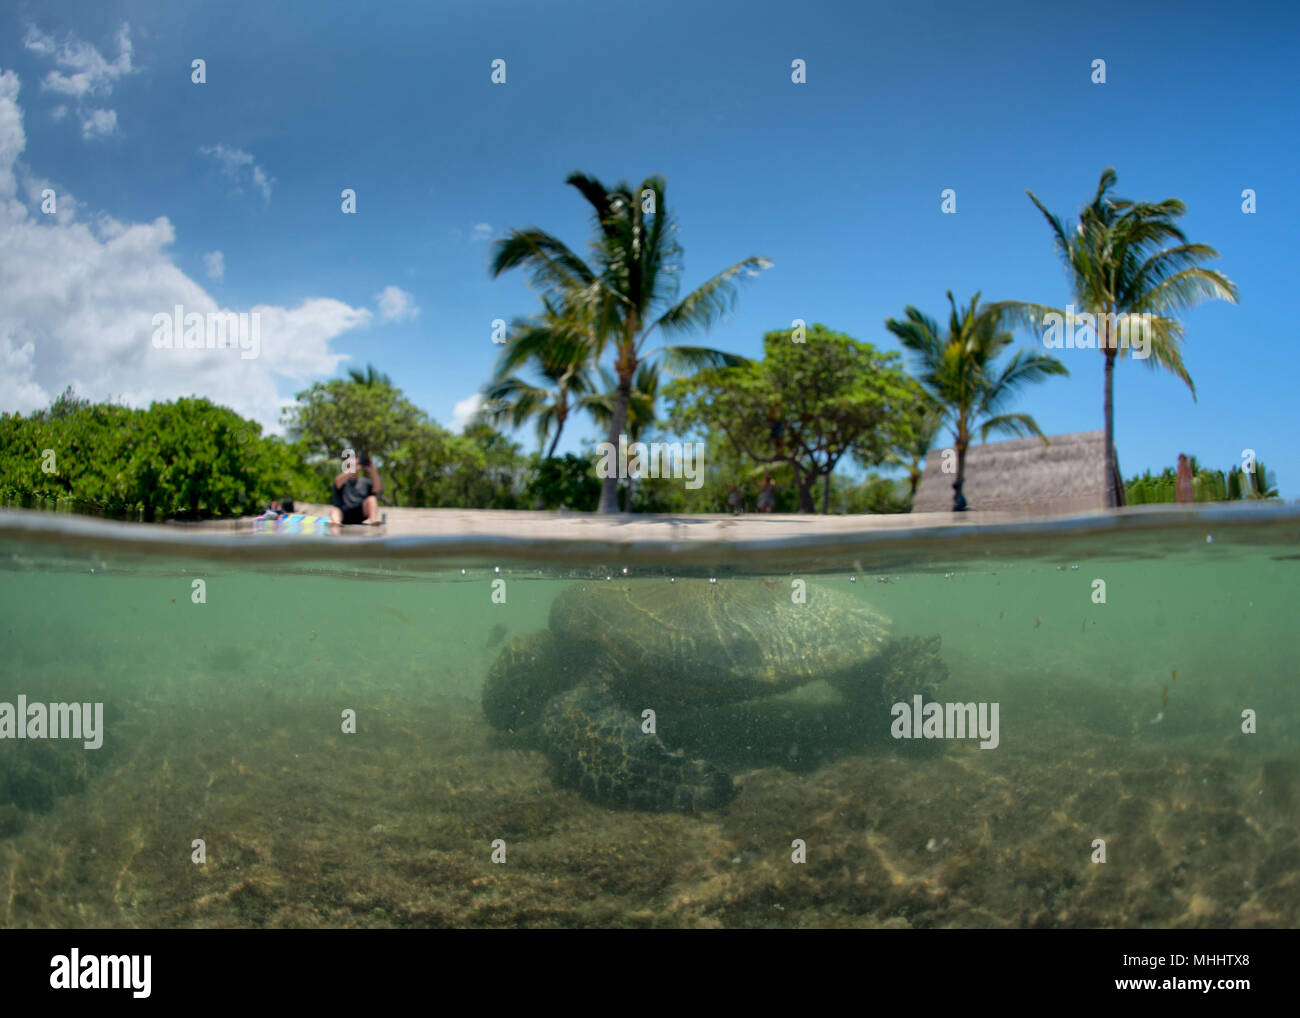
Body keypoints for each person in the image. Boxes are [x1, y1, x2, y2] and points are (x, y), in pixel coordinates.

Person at [331, 454, 383, 526]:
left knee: (372, 498)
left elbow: (377, 488)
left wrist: (372, 470)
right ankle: (336, 523)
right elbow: (337, 482)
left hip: (360, 513)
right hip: (343, 514)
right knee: (335, 510)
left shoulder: (365, 482)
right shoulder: (342, 481)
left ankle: (373, 521)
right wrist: (351, 469)